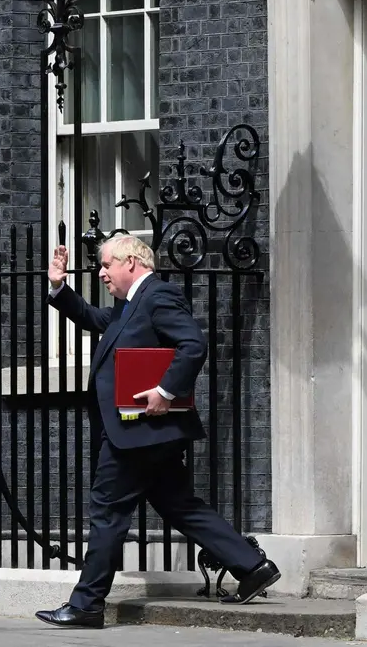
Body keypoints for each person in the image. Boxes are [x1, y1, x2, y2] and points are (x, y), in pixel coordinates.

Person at [34, 234, 280, 629]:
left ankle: (87, 604)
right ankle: (253, 566)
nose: (101, 273)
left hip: (138, 431)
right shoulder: (129, 305)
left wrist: (166, 390)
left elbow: (192, 344)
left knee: (107, 511)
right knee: (178, 504)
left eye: (105, 265)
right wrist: (59, 286)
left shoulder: (158, 296)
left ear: (130, 262)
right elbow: (95, 320)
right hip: (147, 434)